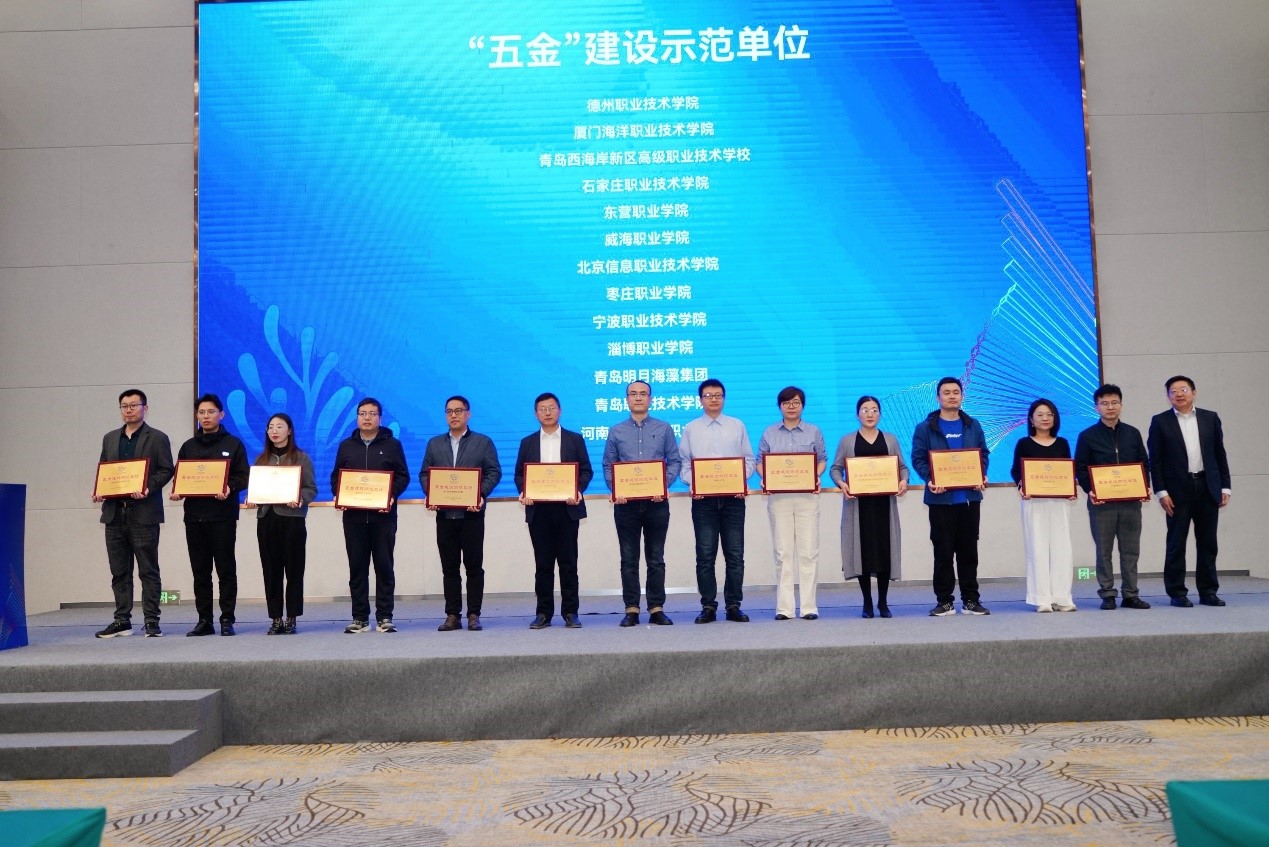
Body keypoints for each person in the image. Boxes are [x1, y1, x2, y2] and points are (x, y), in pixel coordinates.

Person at [92, 389, 175, 638]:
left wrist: (148, 487)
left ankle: (152, 621)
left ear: (145, 408)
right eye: (124, 406)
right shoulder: (109, 438)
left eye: (134, 405)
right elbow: (105, 470)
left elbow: (167, 470)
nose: (128, 410)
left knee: (148, 570)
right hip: (114, 514)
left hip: (143, 513)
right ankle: (122, 620)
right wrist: (100, 491)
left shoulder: (157, 437)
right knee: (119, 571)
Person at [420, 395, 502, 632]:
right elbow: (425, 474)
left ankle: (474, 614)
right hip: (445, 516)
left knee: (474, 567)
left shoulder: (482, 442)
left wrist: (480, 494)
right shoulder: (434, 444)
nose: (453, 415)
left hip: (472, 516)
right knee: (449, 568)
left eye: (458, 410)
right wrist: (431, 493)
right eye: (449, 411)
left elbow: (494, 472)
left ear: (468, 414)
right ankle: (452, 615)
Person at [603, 380, 681, 627]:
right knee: (629, 558)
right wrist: (616, 489)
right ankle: (632, 608)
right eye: (633, 394)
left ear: (650, 399)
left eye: (643, 394)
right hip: (625, 505)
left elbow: (675, 461)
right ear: (627, 399)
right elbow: (608, 465)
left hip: (656, 504)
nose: (638, 398)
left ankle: (656, 608)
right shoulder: (616, 431)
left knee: (656, 558)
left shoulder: (664, 428)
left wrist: (663, 485)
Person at [1148, 375, 1231, 607]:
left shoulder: (1210, 418)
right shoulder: (1160, 421)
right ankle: (1177, 592)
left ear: (1194, 392)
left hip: (1207, 486)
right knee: (1176, 543)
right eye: (1173, 391)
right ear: (1168, 396)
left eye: (1183, 389)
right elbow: (1155, 461)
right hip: (1176, 491)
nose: (1179, 394)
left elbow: (1220, 454)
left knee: (1208, 543)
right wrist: (1161, 492)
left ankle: (1208, 591)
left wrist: (1225, 486)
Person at [911, 377, 991, 616]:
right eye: (946, 393)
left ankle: (971, 600)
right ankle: (944, 601)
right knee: (943, 553)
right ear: (938, 398)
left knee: (969, 553)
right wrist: (930, 478)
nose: (951, 396)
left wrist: (981, 474)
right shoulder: (925, 428)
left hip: (969, 499)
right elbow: (918, 458)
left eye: (956, 392)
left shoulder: (973, 425)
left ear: (962, 396)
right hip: (940, 501)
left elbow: (983, 454)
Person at [170, 393, 249, 636]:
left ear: (221, 414)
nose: (206, 416)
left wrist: (229, 487)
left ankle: (227, 619)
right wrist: (178, 491)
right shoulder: (188, 446)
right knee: (200, 572)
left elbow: (243, 476)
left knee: (226, 570)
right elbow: (180, 476)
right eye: (201, 412)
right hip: (194, 517)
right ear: (197, 416)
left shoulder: (233, 444)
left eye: (211, 412)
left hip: (223, 516)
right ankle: (204, 620)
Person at [513, 393, 593, 629]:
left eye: (551, 408)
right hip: (538, 511)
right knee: (543, 565)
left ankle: (571, 612)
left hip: (567, 509)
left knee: (568, 564)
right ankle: (543, 613)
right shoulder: (527, 442)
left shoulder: (574, 439)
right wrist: (524, 491)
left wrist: (577, 490)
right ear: (536, 413)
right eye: (542, 409)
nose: (547, 412)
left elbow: (586, 471)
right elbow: (519, 474)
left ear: (560, 410)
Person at [678, 379, 755, 624]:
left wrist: (739, 480)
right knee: (705, 555)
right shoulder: (691, 428)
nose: (713, 399)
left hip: (733, 499)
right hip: (704, 501)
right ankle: (708, 606)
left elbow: (749, 460)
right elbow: (684, 463)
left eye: (718, 395)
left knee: (735, 555)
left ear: (724, 398)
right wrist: (693, 482)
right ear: (700, 399)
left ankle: (733, 605)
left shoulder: (737, 425)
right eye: (708, 395)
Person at [331, 397, 410, 634]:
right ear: (357, 417)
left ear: (380, 418)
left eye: (372, 414)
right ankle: (360, 618)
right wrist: (339, 495)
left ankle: (385, 616)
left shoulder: (393, 445)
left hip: (384, 518)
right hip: (354, 519)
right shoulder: (346, 446)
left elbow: (403, 476)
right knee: (357, 568)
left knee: (384, 567)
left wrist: (391, 495)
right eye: (363, 413)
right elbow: (336, 477)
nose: (367, 418)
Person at [1073, 384, 1152, 610]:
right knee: (1104, 550)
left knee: (1130, 550)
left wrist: (1145, 486)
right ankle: (1107, 594)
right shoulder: (1087, 436)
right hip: (1101, 503)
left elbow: (1144, 463)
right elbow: (1080, 467)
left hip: (1130, 502)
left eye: (1114, 402)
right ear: (1096, 407)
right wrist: (1090, 489)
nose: (1110, 407)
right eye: (1105, 403)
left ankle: (1131, 594)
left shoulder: (1133, 433)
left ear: (1121, 405)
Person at [830, 395, 908, 619]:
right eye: (865, 410)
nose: (870, 414)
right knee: (862, 553)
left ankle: (883, 602)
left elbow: (903, 468)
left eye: (874, 410)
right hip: (858, 506)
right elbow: (835, 469)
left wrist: (903, 481)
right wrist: (842, 483)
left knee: (884, 552)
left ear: (880, 414)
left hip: (884, 505)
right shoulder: (847, 440)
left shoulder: (890, 439)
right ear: (857, 414)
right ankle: (867, 603)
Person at [758, 386, 828, 620]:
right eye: (786, 402)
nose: (791, 406)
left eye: (796, 402)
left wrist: (814, 475)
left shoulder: (813, 431)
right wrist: (767, 477)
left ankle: (809, 607)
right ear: (780, 406)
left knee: (808, 553)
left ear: (802, 406)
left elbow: (822, 459)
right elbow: (760, 462)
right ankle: (785, 608)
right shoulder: (769, 432)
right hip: (779, 499)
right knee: (783, 553)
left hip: (807, 498)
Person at [249, 413, 317, 635]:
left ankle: (292, 618)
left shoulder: (301, 458)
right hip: (267, 520)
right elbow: (256, 489)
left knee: (294, 570)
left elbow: (311, 489)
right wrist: (252, 497)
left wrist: (300, 499)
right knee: (271, 570)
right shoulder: (261, 460)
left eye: (279, 426)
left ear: (289, 430)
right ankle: (276, 618)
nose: (274, 431)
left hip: (292, 520)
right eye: (270, 427)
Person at [1011, 399, 1076, 612]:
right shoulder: (1023, 443)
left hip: (1059, 502)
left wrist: (1070, 488)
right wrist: (1022, 485)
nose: (1045, 418)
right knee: (1037, 548)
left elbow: (1067, 471)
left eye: (1049, 414)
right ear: (1031, 419)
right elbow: (1016, 470)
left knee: (1062, 548)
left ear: (1055, 418)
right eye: (1040, 414)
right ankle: (1042, 598)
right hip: (1033, 502)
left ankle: (1062, 597)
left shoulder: (1062, 443)